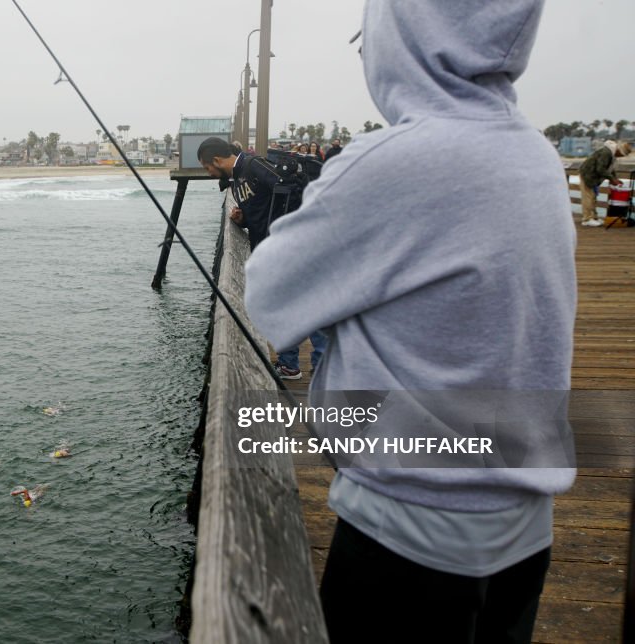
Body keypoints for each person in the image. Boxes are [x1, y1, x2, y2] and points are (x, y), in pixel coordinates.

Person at [244, 1, 576, 641]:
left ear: (409, 37)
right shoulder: (533, 153)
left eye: (368, 38)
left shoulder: (394, 161)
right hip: (524, 528)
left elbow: (269, 295)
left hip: (408, 534)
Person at [197, 137, 285, 250]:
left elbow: (290, 189)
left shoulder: (253, 165)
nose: (209, 174)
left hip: (279, 248)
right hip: (263, 252)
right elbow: (259, 212)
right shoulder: (235, 181)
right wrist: (243, 220)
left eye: (207, 168)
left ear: (216, 161)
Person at [578, 140, 632, 227]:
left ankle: (594, 217)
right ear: (619, 151)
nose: (620, 156)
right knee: (588, 196)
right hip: (587, 174)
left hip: (594, 177)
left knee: (593, 196)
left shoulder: (612, 154)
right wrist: (611, 179)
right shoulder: (606, 153)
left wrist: (615, 179)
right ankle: (587, 219)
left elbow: (611, 169)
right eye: (622, 155)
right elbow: (600, 168)